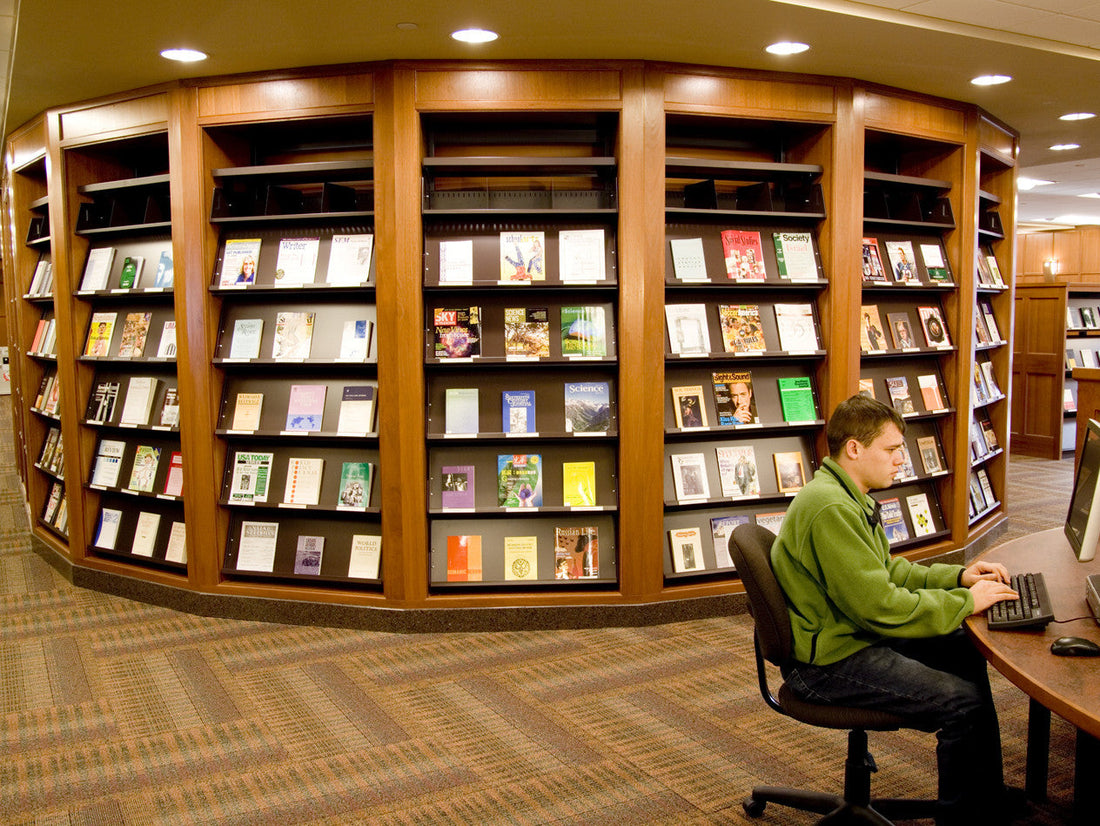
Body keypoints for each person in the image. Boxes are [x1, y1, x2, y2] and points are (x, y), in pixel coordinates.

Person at [769, 394, 1022, 825]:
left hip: (846, 635)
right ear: (854, 448)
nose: (901, 459)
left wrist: (958, 578)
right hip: (827, 662)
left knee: (964, 651)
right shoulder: (830, 507)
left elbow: (886, 571)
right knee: (961, 703)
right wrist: (965, 602)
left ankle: (984, 798)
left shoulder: (847, 495)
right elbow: (880, 606)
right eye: (891, 450)